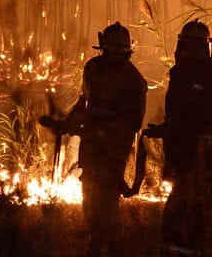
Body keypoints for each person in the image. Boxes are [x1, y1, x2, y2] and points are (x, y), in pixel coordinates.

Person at [47, 22, 147, 257]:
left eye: (116, 53)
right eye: (108, 51)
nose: (111, 57)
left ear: (125, 53)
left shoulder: (134, 81)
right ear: (102, 49)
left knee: (107, 204)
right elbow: (85, 102)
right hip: (91, 148)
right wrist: (67, 124)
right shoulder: (93, 68)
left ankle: (106, 247)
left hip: (113, 151)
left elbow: (132, 124)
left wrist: (103, 130)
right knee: (90, 202)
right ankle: (100, 240)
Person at [159, 19, 212, 256]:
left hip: (205, 164)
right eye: (186, 47)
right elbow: (181, 119)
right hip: (186, 163)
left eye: (192, 47)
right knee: (176, 224)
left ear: (204, 49)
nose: (186, 52)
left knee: (189, 224)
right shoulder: (180, 77)